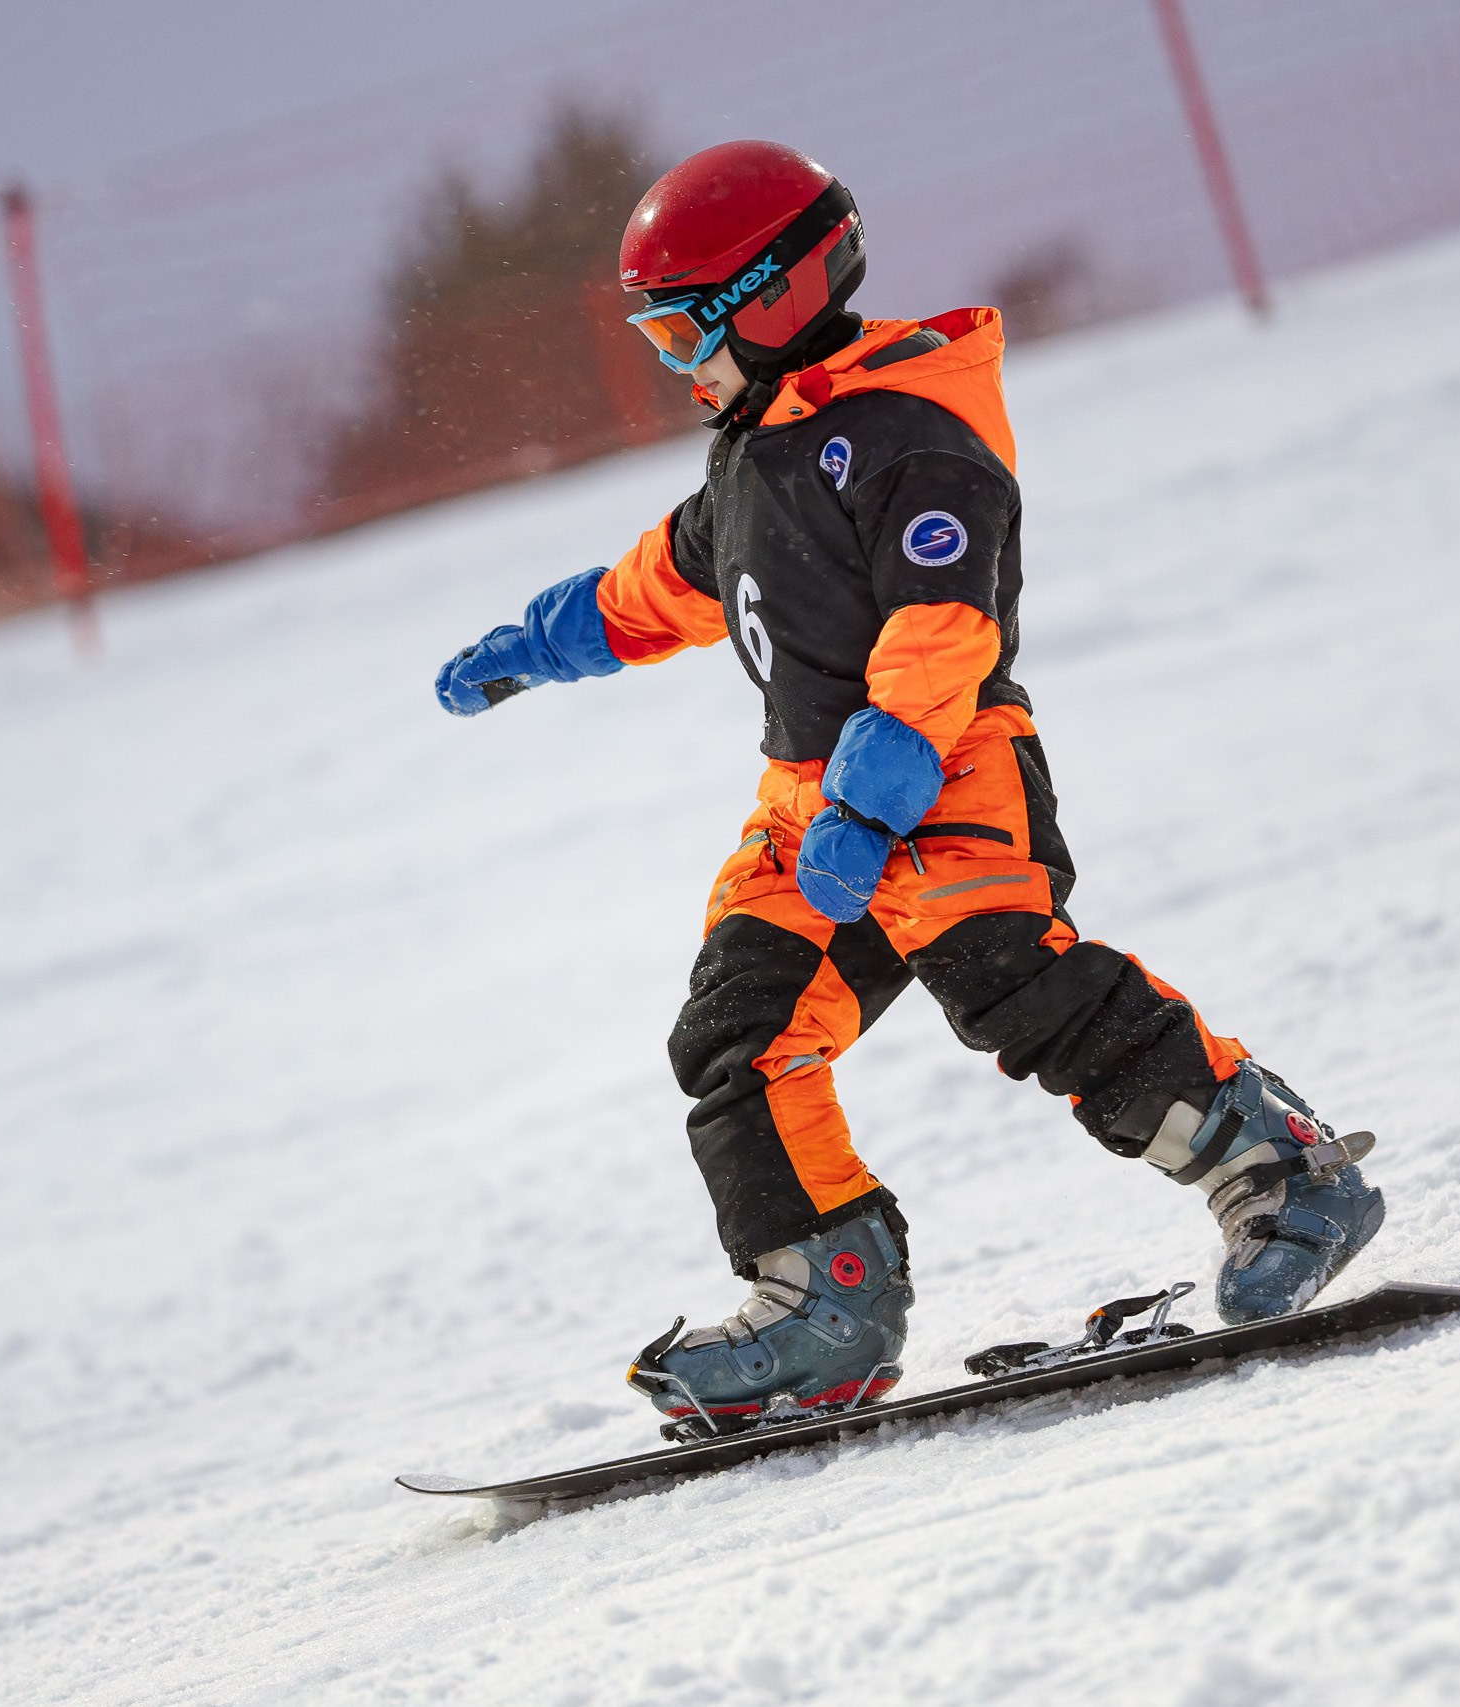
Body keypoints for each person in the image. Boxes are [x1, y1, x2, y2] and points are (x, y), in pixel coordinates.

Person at [433, 141, 1382, 1439]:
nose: (671, 365)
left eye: (675, 331)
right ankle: (825, 1305)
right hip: (804, 814)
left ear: (765, 298)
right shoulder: (753, 455)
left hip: (942, 780)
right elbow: (657, 587)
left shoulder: (906, 438)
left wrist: (875, 797)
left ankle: (1282, 1173)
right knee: (738, 1041)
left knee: (1017, 988)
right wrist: (541, 645)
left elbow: (944, 630)